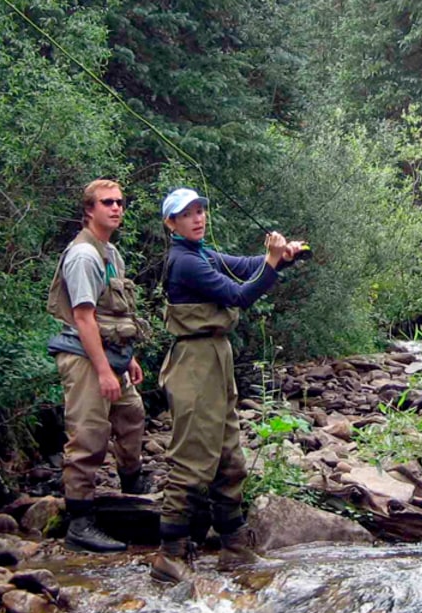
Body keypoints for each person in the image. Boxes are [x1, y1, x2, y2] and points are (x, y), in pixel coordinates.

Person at [150, 187, 303, 583]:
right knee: (191, 461)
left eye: (200, 211)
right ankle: (170, 555)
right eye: (187, 214)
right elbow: (239, 294)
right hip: (194, 364)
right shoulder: (183, 262)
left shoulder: (201, 253)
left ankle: (234, 547)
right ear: (172, 224)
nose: (198, 218)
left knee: (228, 456)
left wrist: (281, 259)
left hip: (217, 359)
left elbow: (245, 264)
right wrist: (270, 264)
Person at [45, 178, 153, 553]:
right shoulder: (84, 257)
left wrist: (128, 359)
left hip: (112, 356)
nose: (116, 208)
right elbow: (85, 318)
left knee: (131, 415)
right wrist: (105, 370)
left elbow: (114, 314)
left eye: (120, 202)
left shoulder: (112, 254)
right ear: (89, 210)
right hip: (83, 358)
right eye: (107, 202)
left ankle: (133, 486)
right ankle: (80, 522)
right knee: (88, 435)